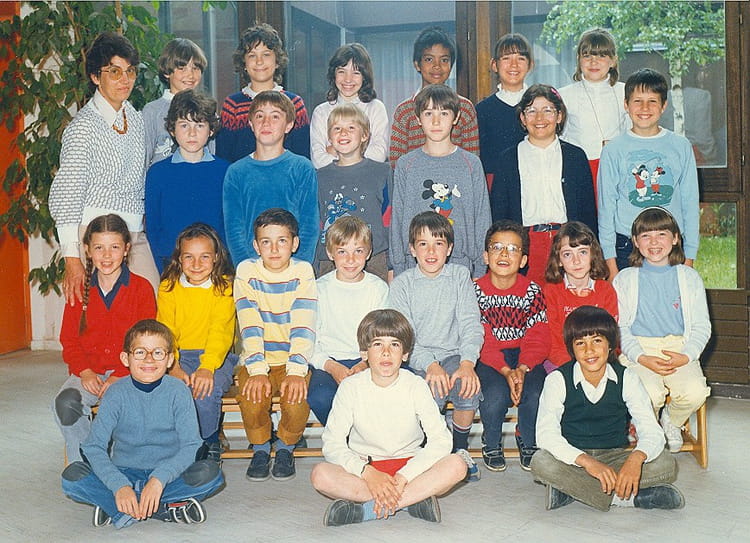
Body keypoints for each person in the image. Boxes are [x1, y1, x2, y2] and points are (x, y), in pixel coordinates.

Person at [61, 319, 224, 528]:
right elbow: (93, 446)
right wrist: (119, 485)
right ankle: (164, 508)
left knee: (211, 473)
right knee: (72, 476)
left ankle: (117, 508)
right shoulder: (115, 394)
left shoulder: (179, 391)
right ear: (125, 358)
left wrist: (158, 480)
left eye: (158, 353)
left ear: (170, 360)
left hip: (168, 475)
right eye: (140, 352)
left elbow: (192, 445)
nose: (149, 359)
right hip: (124, 472)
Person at [310, 309, 467, 526]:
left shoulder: (416, 385)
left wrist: (403, 477)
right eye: (377, 344)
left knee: (457, 465)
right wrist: (367, 473)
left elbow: (441, 440)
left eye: (394, 344)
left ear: (405, 354)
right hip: (366, 468)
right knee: (320, 475)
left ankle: (367, 511)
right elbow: (332, 443)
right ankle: (413, 500)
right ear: (364, 353)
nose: (386, 353)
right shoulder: (350, 387)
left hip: (410, 467)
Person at [531, 306, 684, 512]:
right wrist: (587, 462)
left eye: (597, 340)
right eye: (580, 343)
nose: (589, 350)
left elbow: (651, 429)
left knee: (666, 463)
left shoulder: (627, 378)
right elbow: (546, 435)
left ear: (610, 344)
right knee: (541, 462)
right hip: (574, 458)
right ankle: (628, 499)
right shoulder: (557, 380)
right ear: (571, 349)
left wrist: (635, 459)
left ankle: (571, 491)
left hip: (614, 456)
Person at [49, 32, 160, 301]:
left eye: (130, 71)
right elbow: (67, 193)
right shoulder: (83, 127)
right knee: (94, 313)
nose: (125, 79)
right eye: (115, 71)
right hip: (95, 236)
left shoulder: (135, 118)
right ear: (95, 77)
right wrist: (72, 257)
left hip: (133, 234)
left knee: (153, 301)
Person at [387, 212, 484, 481]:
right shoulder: (403, 284)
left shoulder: (460, 276)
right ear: (412, 249)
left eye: (438, 243)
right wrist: (430, 364)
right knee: (432, 392)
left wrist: (467, 363)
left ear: (449, 248)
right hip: (417, 357)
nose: (431, 252)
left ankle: (459, 449)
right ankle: (431, 451)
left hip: (455, 354)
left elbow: (471, 324)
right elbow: (404, 336)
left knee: (467, 387)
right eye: (423, 244)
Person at [53, 214, 156, 464]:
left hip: (130, 373)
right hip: (89, 373)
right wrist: (85, 372)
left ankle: (125, 462)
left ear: (127, 249)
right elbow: (69, 340)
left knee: (128, 410)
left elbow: (146, 342)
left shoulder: (141, 289)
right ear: (87, 250)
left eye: (115, 247)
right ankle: (86, 464)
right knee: (66, 404)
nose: (107, 255)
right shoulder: (79, 288)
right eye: (99, 247)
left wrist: (121, 373)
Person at [613, 207, 710, 452]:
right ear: (635, 242)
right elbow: (620, 327)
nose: (654, 242)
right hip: (639, 348)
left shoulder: (689, 278)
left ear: (675, 238)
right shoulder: (625, 278)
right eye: (646, 236)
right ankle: (647, 428)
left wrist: (686, 355)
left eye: (662, 234)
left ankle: (671, 421)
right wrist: (641, 357)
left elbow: (701, 325)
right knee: (649, 393)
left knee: (695, 392)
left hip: (679, 347)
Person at [233, 208, 318, 482]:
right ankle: (260, 447)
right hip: (257, 358)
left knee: (296, 400)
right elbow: (249, 324)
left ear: (294, 243)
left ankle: (284, 446)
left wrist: (296, 371)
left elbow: (304, 325)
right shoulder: (247, 271)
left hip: (293, 357)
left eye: (282, 240)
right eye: (266, 241)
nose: (274, 249)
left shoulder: (303, 272)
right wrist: (257, 371)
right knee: (252, 397)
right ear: (256, 245)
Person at [489, 84, 596, 286]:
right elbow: (499, 214)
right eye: (531, 111)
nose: (539, 118)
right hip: (526, 245)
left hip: (567, 245)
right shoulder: (508, 159)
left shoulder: (575, 156)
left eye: (548, 110)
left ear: (559, 116)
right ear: (522, 118)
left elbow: (588, 212)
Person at [597, 68, 700, 278]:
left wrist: (689, 256)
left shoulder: (680, 146)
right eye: (637, 101)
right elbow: (606, 209)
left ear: (664, 105)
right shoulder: (613, 150)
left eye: (652, 101)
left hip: (670, 244)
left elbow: (690, 203)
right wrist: (611, 263)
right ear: (626, 105)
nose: (645, 108)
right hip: (626, 245)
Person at [390, 84, 490, 278]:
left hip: (461, 267)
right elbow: (398, 220)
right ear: (418, 118)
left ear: (456, 118)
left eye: (444, 113)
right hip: (414, 268)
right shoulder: (405, 165)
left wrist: (480, 269)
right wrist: (399, 267)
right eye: (428, 113)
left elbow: (482, 218)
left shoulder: (471, 164)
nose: (436, 121)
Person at [156, 223, 237, 463]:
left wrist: (207, 367)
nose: (197, 264)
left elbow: (220, 331)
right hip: (178, 356)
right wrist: (173, 365)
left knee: (204, 391)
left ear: (216, 258)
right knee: (167, 390)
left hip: (217, 357)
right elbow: (166, 330)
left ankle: (209, 441)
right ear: (179, 259)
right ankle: (174, 444)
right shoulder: (168, 287)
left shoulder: (224, 288)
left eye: (204, 257)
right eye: (189, 257)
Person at [473, 220, 549, 472]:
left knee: (535, 392)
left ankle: (528, 439)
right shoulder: (475, 291)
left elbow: (538, 335)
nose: (504, 254)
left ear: (524, 260)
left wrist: (523, 368)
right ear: (486, 256)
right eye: (497, 247)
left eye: (513, 249)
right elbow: (480, 337)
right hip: (488, 356)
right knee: (494, 395)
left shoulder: (532, 291)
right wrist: (506, 371)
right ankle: (491, 441)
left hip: (525, 356)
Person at [222, 90, 319, 265]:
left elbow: (309, 226)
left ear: (289, 125)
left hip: (293, 268)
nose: (266, 122)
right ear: (251, 124)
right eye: (259, 116)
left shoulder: (302, 168)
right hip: (252, 268)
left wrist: (299, 267)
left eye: (275, 116)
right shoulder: (236, 172)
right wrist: (246, 267)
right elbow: (234, 229)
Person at [308, 217, 389, 426]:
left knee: (377, 397)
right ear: (330, 253)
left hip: (369, 360)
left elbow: (384, 336)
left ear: (368, 253)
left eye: (358, 251)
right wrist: (330, 366)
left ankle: (368, 437)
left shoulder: (378, 289)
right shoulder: (318, 289)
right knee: (320, 397)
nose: (351, 259)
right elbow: (309, 339)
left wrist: (366, 363)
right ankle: (342, 438)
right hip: (329, 361)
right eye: (342, 251)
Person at [145, 89, 229, 273]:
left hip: (216, 268)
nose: (192, 133)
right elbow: (153, 227)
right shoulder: (158, 173)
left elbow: (228, 224)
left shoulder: (226, 171)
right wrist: (164, 270)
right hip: (172, 267)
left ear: (211, 130)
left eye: (199, 125)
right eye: (184, 125)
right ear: (172, 130)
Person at [316, 103, 391, 279]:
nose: (343, 133)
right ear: (329, 137)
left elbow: (389, 218)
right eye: (337, 128)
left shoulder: (382, 171)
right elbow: (317, 221)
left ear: (364, 135)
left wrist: (392, 264)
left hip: (374, 258)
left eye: (351, 128)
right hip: (331, 259)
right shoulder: (319, 176)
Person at [216, 23, 309, 163]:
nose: (259, 61)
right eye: (252, 55)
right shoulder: (233, 105)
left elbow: (303, 156)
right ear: (244, 63)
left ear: (277, 61)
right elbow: (224, 157)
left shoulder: (294, 103)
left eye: (266, 54)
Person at [390, 26, 479, 167]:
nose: (437, 66)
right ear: (417, 65)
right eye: (429, 59)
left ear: (451, 65)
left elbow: (472, 161)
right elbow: (396, 165)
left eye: (444, 60)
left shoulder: (465, 108)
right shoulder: (404, 112)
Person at [559, 28, 630, 197]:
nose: (594, 62)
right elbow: (561, 138)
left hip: (618, 168)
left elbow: (632, 132)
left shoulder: (626, 92)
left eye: (601, 55)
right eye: (587, 55)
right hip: (580, 169)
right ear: (579, 59)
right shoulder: (564, 95)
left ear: (613, 61)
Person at [543, 221, 618, 368]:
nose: (576, 261)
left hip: (600, 361)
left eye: (582, 252)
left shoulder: (605, 291)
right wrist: (576, 369)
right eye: (567, 254)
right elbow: (553, 341)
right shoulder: (551, 292)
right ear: (558, 260)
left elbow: (611, 338)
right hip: (562, 362)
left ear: (593, 255)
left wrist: (595, 367)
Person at [310, 43, 389, 169]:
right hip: (331, 178)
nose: (348, 79)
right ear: (333, 74)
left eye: (356, 73)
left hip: (367, 177)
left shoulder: (375, 108)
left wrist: (337, 151)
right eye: (342, 72)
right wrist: (358, 151)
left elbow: (378, 155)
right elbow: (318, 160)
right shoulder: (321, 112)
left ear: (364, 76)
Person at [475, 33, 533, 190]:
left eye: (521, 58)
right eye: (506, 58)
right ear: (494, 65)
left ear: (530, 64)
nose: (514, 65)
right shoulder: (482, 110)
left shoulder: (538, 106)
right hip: (495, 186)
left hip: (534, 181)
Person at [142, 38, 209, 167]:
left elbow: (212, 154)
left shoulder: (206, 109)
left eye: (195, 68)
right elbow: (144, 159)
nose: (190, 75)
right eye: (182, 68)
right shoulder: (152, 111)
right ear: (167, 72)